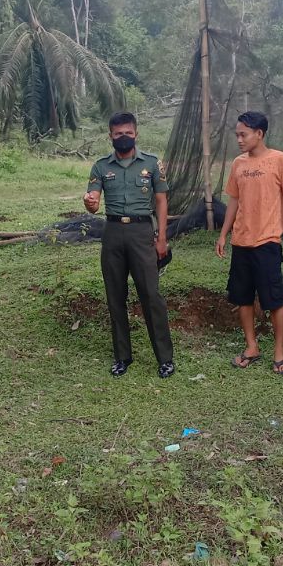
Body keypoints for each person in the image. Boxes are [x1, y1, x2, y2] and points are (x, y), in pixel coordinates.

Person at [83, 112, 175, 378]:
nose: (123, 137)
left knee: (151, 295)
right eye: (118, 133)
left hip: (141, 232)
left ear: (136, 134)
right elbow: (93, 199)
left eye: (128, 133)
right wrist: (89, 203)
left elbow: (161, 201)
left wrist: (161, 238)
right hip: (112, 232)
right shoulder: (101, 166)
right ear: (110, 136)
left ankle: (165, 358)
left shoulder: (151, 164)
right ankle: (122, 357)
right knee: (115, 297)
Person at [215, 111, 283, 375]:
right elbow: (234, 201)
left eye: (244, 134)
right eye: (237, 134)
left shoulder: (279, 160)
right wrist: (223, 234)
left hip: (267, 242)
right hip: (241, 242)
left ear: (259, 134)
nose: (239, 139)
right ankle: (251, 347)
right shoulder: (238, 164)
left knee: (273, 299)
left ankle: (279, 353)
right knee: (243, 298)